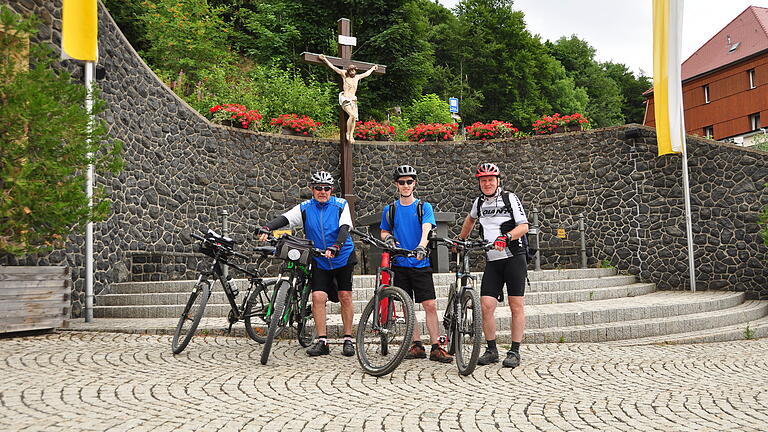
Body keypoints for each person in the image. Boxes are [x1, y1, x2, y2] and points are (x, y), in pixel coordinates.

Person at [258, 171, 356, 357]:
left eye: (326, 188)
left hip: (342, 256)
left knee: (345, 296)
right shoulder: (305, 207)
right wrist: (267, 227)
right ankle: (322, 341)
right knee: (318, 297)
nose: (322, 191)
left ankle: (348, 339)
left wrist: (336, 246)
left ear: (331, 190)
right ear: (312, 189)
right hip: (319, 258)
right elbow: (285, 218)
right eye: (318, 188)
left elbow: (345, 228)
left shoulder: (340, 204)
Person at [456, 163, 529, 368]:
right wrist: (461, 240)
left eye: (490, 180)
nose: (487, 183)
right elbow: (470, 220)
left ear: (498, 181)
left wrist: (506, 237)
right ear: (479, 183)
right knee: (486, 306)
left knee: (516, 305)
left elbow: (524, 226)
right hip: (493, 261)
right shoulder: (479, 203)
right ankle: (491, 349)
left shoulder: (510, 198)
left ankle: (514, 351)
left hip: (514, 257)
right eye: (483, 180)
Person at [380, 165, 453, 363]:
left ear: (415, 184)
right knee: (407, 306)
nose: (406, 185)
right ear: (396, 185)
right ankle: (416, 345)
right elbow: (384, 231)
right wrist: (388, 239)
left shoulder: (423, 207)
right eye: (402, 182)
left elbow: (427, 228)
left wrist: (422, 246)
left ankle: (436, 346)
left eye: (409, 182)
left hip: (420, 263)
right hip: (400, 263)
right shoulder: (390, 209)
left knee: (429, 304)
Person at [317, 54, 378, 144]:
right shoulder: (344, 75)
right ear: (349, 71)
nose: (353, 72)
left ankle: (351, 135)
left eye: (354, 70)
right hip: (345, 99)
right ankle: (348, 133)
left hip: (353, 100)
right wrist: (325, 59)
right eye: (351, 70)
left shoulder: (357, 77)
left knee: (353, 118)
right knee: (352, 115)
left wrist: (373, 68)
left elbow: (366, 74)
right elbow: (333, 67)